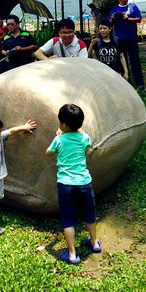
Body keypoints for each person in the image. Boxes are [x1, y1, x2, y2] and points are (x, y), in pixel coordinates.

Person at [46, 104, 101, 264]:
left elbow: (48, 153)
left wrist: (59, 137)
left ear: (63, 125)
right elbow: (87, 142)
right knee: (89, 214)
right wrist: (77, 130)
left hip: (65, 185)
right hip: (84, 183)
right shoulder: (84, 138)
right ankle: (95, 243)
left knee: (68, 219)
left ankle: (72, 254)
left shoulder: (59, 139)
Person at [109, 0, 145, 90]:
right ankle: (126, 85)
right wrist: (113, 18)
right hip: (119, 40)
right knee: (122, 63)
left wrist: (128, 18)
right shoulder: (115, 9)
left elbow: (139, 19)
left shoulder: (132, 7)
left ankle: (140, 85)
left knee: (135, 61)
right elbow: (109, 23)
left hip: (132, 39)